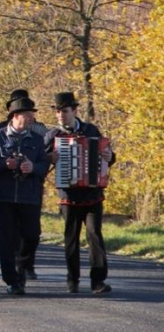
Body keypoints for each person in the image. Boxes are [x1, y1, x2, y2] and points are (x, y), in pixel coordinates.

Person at [43, 92, 115, 295]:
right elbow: (40, 159)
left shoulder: (90, 130)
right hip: (68, 195)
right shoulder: (53, 136)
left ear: (74, 111)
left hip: (92, 193)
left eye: (64, 111)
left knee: (95, 236)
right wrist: (50, 158)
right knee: (71, 238)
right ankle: (72, 280)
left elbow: (106, 154)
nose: (60, 116)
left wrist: (109, 156)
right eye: (57, 112)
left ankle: (98, 281)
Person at [0, 97, 49, 295]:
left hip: (30, 196)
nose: (32, 118)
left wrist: (33, 167)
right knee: (7, 240)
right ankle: (12, 279)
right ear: (16, 116)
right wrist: (4, 164)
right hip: (5, 197)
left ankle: (22, 268)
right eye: (28, 115)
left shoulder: (37, 139)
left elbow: (44, 165)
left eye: (32, 115)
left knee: (31, 236)